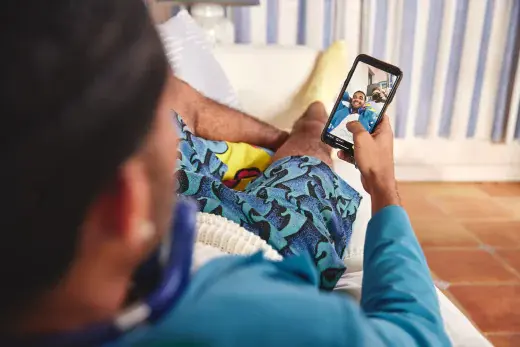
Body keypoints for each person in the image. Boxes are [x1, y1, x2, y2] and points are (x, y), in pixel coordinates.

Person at [0, 1, 450, 346]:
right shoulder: (263, 322)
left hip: (164, 214)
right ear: (125, 201)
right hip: (260, 238)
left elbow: (184, 103)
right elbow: (418, 335)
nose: (174, 124)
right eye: (159, 116)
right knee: (314, 137)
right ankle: (310, 119)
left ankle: (295, 133)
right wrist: (384, 187)